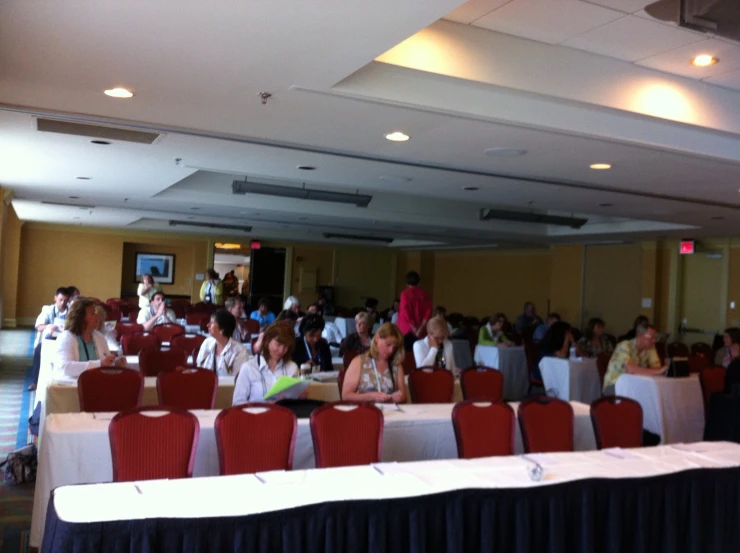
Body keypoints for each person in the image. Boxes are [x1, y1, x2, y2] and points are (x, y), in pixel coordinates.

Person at [54, 297, 127, 379]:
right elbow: (65, 367)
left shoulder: (99, 337)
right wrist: (100, 364)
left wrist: (115, 363)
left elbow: (106, 363)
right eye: (92, 313)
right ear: (80, 318)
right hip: (70, 388)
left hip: (95, 385)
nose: (97, 316)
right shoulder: (66, 337)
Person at [232, 322, 299, 403]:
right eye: (278, 344)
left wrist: (298, 398)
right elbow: (237, 403)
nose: (281, 350)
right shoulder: (249, 367)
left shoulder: (292, 367)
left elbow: (294, 403)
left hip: (283, 414)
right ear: (267, 341)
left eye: (286, 346)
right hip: (255, 415)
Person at [342, 322, 407, 403]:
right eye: (388, 345)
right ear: (377, 338)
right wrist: (372, 396)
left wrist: (399, 397)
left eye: (394, 347)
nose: (391, 351)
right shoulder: (359, 362)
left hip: (389, 413)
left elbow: (403, 396)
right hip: (363, 412)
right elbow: (346, 396)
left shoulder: (396, 365)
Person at [602, 324, 667, 395]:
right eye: (651, 337)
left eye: (655, 338)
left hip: (635, 385)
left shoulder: (650, 348)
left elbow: (656, 368)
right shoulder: (624, 346)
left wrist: (659, 370)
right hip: (615, 385)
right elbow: (632, 370)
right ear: (639, 335)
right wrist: (660, 370)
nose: (654, 341)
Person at [28, 287, 70, 390]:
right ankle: (35, 381)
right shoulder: (48, 310)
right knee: (39, 350)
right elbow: (38, 326)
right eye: (60, 300)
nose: (63, 303)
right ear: (55, 298)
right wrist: (49, 326)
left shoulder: (71, 311)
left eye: (65, 300)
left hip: (66, 340)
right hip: (51, 338)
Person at [196, 309, 249, 377]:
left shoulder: (240, 351)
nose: (207, 325)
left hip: (229, 387)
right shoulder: (207, 343)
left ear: (222, 329)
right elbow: (200, 368)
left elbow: (238, 380)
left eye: (212, 323)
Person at [398, 271, 433, 351]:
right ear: (418, 281)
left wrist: (414, 327)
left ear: (406, 282)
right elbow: (428, 312)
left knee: (407, 356)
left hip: (407, 330)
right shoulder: (425, 294)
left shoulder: (405, 294)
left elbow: (405, 312)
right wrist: (421, 328)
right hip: (422, 330)